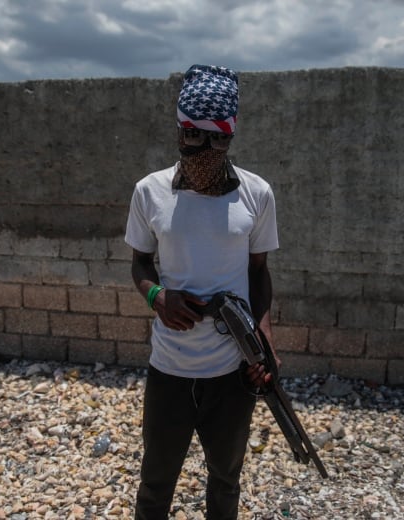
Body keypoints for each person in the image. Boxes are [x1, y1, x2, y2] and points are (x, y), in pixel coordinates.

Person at [124, 64, 280, 520]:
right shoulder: (149, 192)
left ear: (231, 136)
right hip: (169, 368)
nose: (206, 150)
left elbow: (259, 272)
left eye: (219, 140)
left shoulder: (257, 194)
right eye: (194, 136)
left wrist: (265, 341)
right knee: (156, 482)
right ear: (179, 130)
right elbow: (139, 262)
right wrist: (157, 297)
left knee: (226, 480)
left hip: (232, 372)